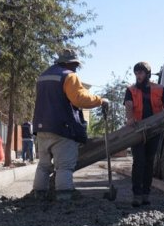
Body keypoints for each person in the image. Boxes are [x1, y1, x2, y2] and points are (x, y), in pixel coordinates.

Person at [31, 49, 109, 201]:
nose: (76, 68)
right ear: (69, 63)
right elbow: (79, 98)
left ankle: (38, 196)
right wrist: (100, 100)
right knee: (64, 166)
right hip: (62, 128)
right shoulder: (69, 76)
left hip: (41, 127)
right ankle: (64, 197)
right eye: (75, 65)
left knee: (43, 165)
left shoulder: (43, 76)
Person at [124, 61, 164, 207]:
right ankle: (137, 195)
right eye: (136, 73)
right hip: (137, 130)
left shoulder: (159, 89)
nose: (138, 76)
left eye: (141, 73)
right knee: (139, 161)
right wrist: (130, 118)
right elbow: (128, 105)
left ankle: (146, 194)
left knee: (150, 162)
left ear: (147, 74)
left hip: (154, 130)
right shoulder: (131, 90)